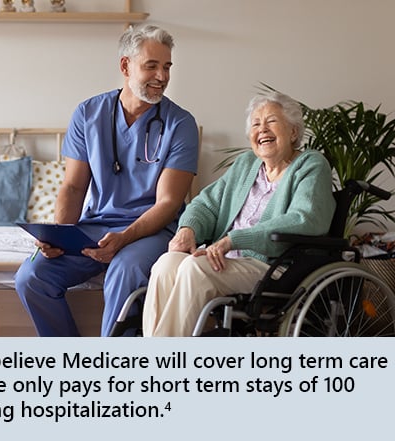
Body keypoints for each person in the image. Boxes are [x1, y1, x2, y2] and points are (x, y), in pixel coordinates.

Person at [15, 24, 200, 337]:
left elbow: (169, 203)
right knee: (32, 276)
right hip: (96, 227)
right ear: (126, 66)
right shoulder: (89, 113)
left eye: (167, 67)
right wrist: (59, 236)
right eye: (151, 66)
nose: (162, 76)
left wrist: (124, 238)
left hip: (151, 231)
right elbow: (73, 187)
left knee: (125, 270)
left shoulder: (180, 123)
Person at [142, 90, 336, 337]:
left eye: (271, 121)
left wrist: (234, 240)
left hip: (272, 266)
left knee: (195, 269)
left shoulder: (311, 165)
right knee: (166, 264)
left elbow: (303, 219)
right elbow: (207, 203)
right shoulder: (246, 164)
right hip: (224, 261)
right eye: (256, 124)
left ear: (293, 131)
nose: (262, 129)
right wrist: (187, 229)